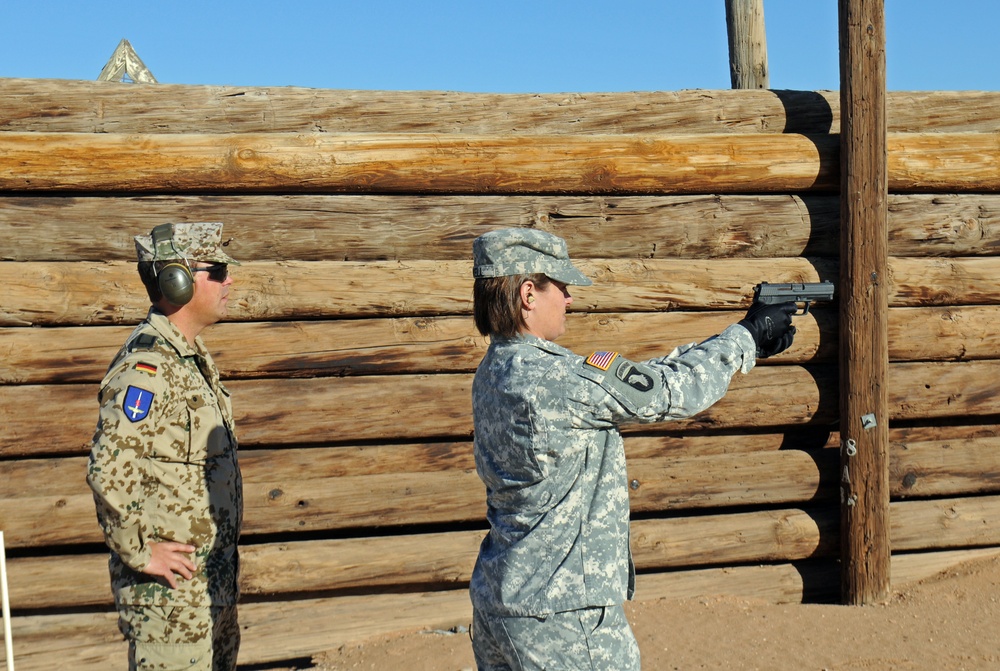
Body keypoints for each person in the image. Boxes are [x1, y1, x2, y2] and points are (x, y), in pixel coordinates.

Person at [468, 228, 796, 670]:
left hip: (500, 600)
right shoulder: (559, 379)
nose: (569, 298)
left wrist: (737, 341)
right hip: (562, 615)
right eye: (561, 288)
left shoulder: (493, 371)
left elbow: (635, 383)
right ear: (528, 294)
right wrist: (747, 337)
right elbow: (668, 393)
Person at [87, 222, 243, 671]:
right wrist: (140, 550)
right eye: (215, 270)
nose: (228, 279)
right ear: (175, 279)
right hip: (170, 607)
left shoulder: (189, 359)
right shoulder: (147, 369)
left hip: (208, 594)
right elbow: (107, 472)